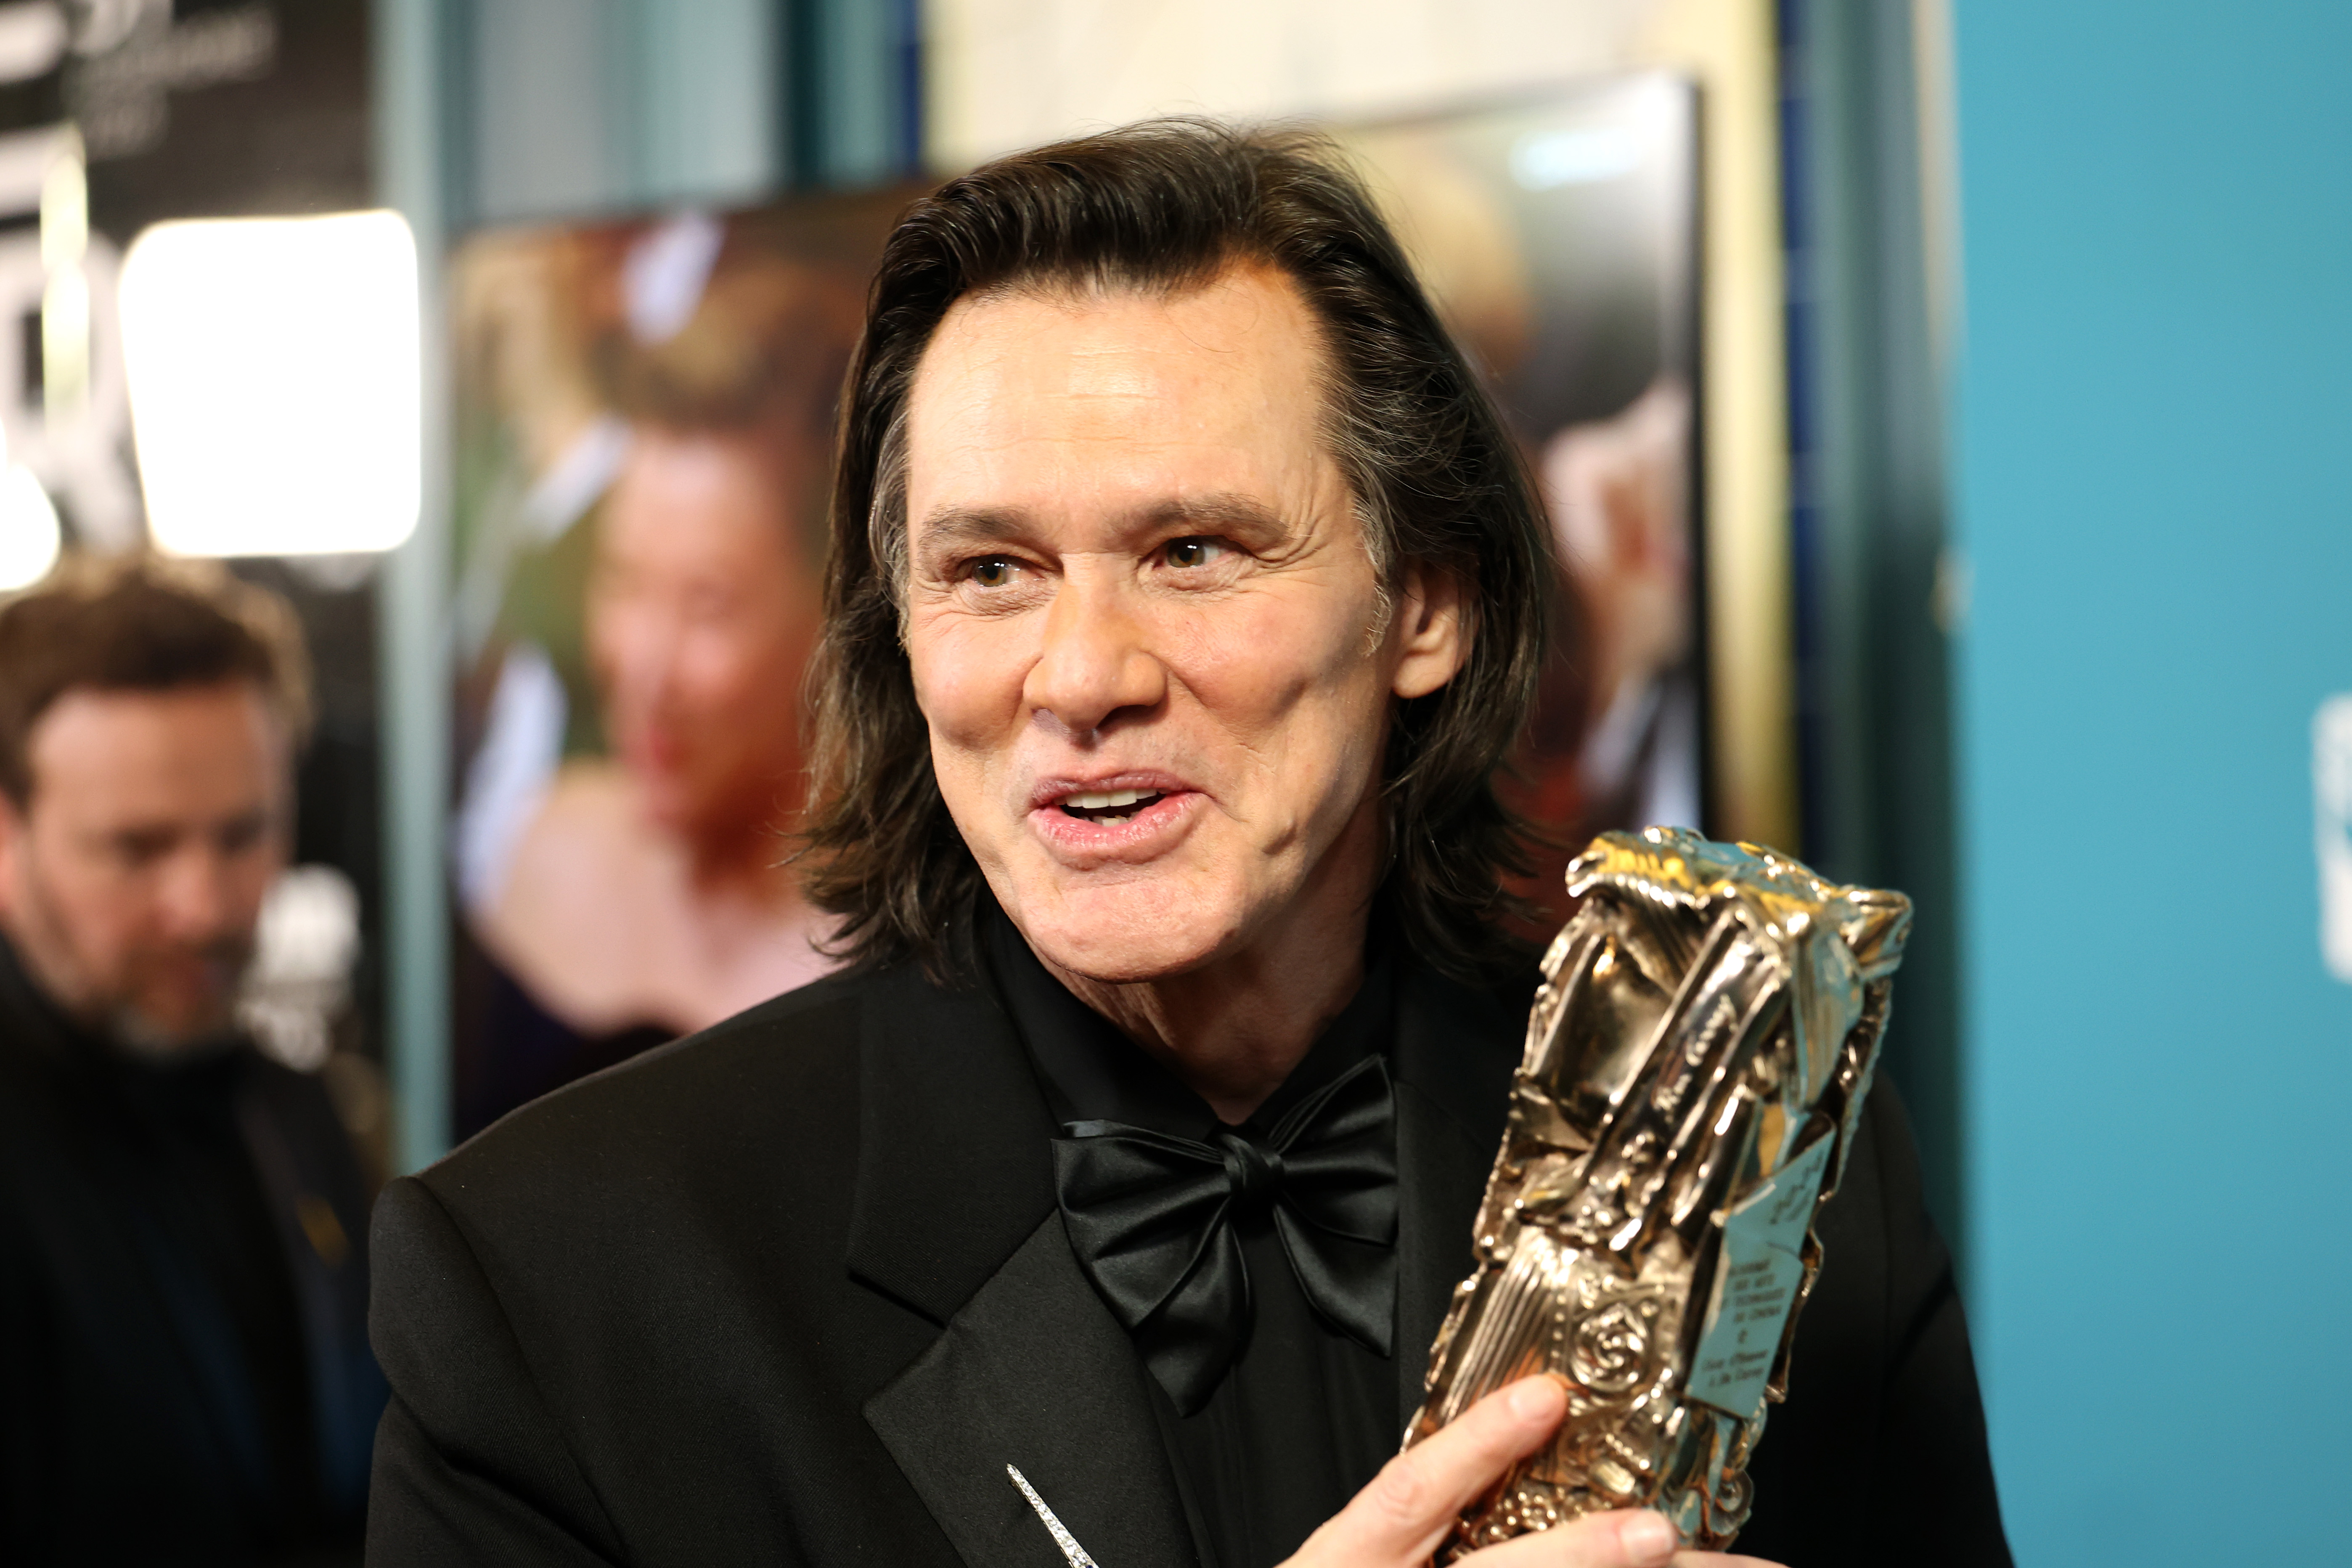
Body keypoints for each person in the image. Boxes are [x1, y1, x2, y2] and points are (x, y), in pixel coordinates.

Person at [367, 122, 2008, 1568]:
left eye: (1194, 549)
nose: (1081, 676)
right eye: (992, 570)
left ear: (1425, 600)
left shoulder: (1784, 1185)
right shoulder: (563, 1279)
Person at [0, 556, 385, 1564]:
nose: (206, 906)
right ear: (7, 834)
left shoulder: (292, 1110)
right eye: (137, 848)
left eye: (244, 833)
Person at [458, 239, 853, 1130]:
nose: (641, 663)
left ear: (843, 619)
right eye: (625, 581)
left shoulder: (909, 964)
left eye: (707, 605)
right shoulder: (548, 858)